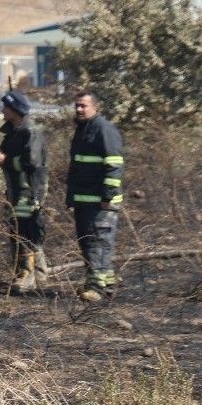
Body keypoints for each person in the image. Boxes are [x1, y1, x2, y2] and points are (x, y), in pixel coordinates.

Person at [0, 91, 47, 293]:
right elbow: (1, 159)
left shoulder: (30, 132)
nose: (2, 111)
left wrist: (7, 160)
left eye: (6, 108)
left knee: (24, 232)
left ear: (15, 110)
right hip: (15, 190)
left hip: (28, 191)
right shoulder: (14, 132)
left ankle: (26, 277)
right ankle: (39, 277)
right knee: (19, 230)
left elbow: (32, 163)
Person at [67, 91, 124, 302]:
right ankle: (107, 284)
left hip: (100, 202)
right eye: (77, 106)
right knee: (92, 242)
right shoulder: (83, 130)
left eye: (84, 106)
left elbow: (114, 163)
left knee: (96, 243)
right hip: (84, 200)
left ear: (95, 107)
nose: (79, 109)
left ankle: (96, 288)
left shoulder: (103, 129)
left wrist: (108, 195)